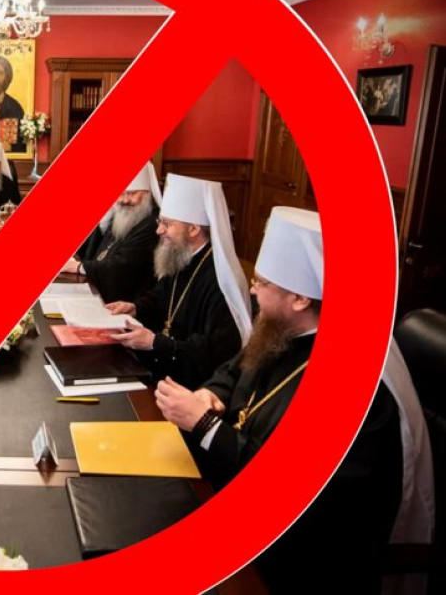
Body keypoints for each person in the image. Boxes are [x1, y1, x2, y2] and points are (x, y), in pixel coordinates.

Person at [155, 206, 434, 594]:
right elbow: (233, 369)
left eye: (262, 282)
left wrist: (205, 425)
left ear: (300, 298)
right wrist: (210, 394)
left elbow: (286, 490)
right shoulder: (281, 330)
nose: (252, 290)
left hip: (303, 559)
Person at [107, 173, 252, 389]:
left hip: (190, 386)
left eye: (167, 224)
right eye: (160, 222)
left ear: (193, 229)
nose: (159, 230)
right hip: (163, 368)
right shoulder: (180, 255)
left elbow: (214, 352)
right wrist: (135, 308)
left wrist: (156, 343)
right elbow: (160, 297)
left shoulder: (220, 281)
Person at [60, 162, 163, 303]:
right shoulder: (121, 216)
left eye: (132, 193)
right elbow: (96, 251)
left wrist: (79, 267)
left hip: (127, 303)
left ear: (147, 193)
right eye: (121, 193)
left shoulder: (152, 225)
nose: (125, 200)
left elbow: (123, 267)